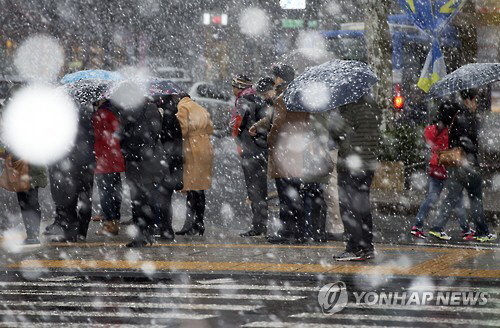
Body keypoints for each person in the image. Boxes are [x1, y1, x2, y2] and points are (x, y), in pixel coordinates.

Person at [263, 64, 332, 244]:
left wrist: (269, 139)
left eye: (276, 77)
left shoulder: (282, 98)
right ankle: (301, 231)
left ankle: (287, 232)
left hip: (284, 152)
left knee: (286, 195)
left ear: (280, 79)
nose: (275, 80)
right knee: (297, 194)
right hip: (300, 152)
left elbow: (277, 126)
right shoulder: (303, 97)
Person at [429, 89, 497, 242]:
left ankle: (437, 227)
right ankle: (482, 232)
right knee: (476, 198)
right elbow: (472, 143)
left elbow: (454, 139)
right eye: (474, 101)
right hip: (468, 163)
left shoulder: (455, 116)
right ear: (468, 101)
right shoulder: (468, 118)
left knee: (451, 197)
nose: (475, 104)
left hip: (455, 162)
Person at [329, 94, 381, 261]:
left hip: (351, 164)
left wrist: (333, 119)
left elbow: (338, 131)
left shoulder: (349, 107)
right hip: (368, 163)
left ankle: (355, 247)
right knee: (362, 206)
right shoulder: (373, 104)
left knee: (349, 208)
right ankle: (367, 247)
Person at [411, 101, 469, 239]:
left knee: (433, 198)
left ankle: (417, 226)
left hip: (435, 166)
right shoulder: (447, 130)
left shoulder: (433, 128)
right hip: (446, 167)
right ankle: (464, 229)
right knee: (456, 198)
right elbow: (450, 146)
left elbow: (431, 141)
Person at [0, 86, 48, 244]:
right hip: (32, 164)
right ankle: (33, 234)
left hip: (26, 165)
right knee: (31, 201)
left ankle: (33, 235)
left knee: (28, 202)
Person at [45, 101, 96, 243]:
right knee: (84, 198)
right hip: (85, 163)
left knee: (70, 199)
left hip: (71, 164)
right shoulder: (86, 114)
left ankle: (71, 232)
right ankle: (81, 232)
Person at [230, 74, 269, 237]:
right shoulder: (258, 100)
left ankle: (258, 225)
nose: (232, 89)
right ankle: (261, 223)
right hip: (261, 148)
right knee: (261, 188)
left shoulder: (243, 101)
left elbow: (237, 124)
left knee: (254, 188)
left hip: (251, 149)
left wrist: (233, 135)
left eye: (234, 86)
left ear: (239, 87)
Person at [175, 93, 214, 236]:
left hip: (192, 148)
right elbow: (210, 128)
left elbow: (183, 129)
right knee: (200, 188)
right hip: (205, 146)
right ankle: (199, 223)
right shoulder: (199, 107)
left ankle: (189, 224)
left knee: (191, 187)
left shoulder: (182, 108)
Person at [92, 99, 125, 236]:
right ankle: (115, 220)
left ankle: (109, 223)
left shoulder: (101, 114)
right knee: (115, 190)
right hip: (115, 155)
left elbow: (95, 135)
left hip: (103, 157)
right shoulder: (116, 111)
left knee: (105, 192)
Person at [153, 94, 184, 240]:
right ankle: (166, 229)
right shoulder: (174, 117)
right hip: (172, 164)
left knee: (162, 197)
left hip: (165, 164)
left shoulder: (166, 119)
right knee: (166, 197)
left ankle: (165, 229)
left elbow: (164, 140)